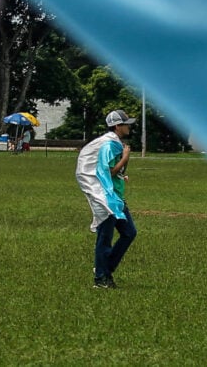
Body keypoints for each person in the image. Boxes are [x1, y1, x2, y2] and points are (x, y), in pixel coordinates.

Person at [75, 109, 137, 289]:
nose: (129, 127)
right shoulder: (109, 145)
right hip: (105, 198)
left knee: (129, 232)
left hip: (115, 197)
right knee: (105, 237)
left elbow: (111, 172)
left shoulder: (115, 142)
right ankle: (101, 278)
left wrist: (122, 175)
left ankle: (104, 268)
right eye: (126, 124)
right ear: (118, 126)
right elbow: (107, 172)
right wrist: (125, 158)